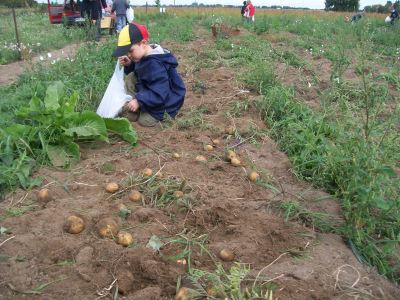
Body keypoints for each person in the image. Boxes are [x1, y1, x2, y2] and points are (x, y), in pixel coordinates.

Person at [112, 23, 186, 127]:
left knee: (144, 121)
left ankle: (158, 114)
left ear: (143, 43)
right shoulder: (144, 54)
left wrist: (139, 100)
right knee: (131, 76)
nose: (128, 55)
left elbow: (160, 92)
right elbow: (141, 70)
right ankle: (135, 107)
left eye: (130, 51)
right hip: (151, 91)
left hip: (166, 101)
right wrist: (130, 64)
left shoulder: (155, 65)